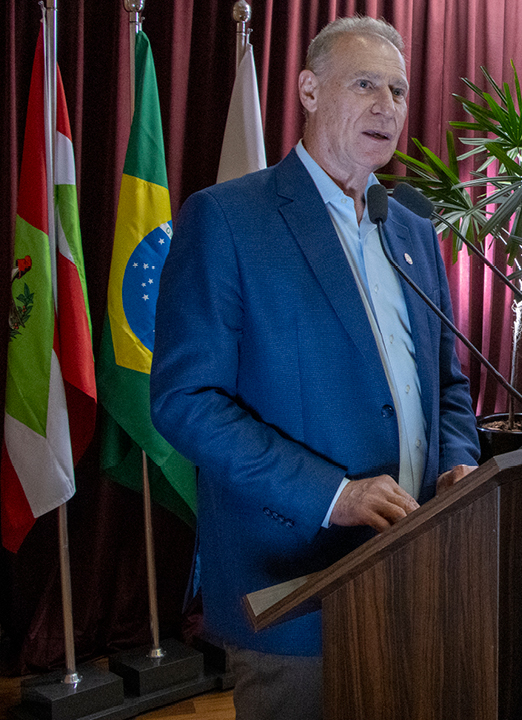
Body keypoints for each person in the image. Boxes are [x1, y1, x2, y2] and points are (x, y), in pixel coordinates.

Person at [150, 17, 480, 719]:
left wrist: (458, 465)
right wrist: (333, 494)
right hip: (295, 589)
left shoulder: (413, 228)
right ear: (307, 90)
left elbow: (448, 384)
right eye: (365, 85)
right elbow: (186, 400)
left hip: (420, 572)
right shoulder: (228, 219)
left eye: (398, 90)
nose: (387, 106)